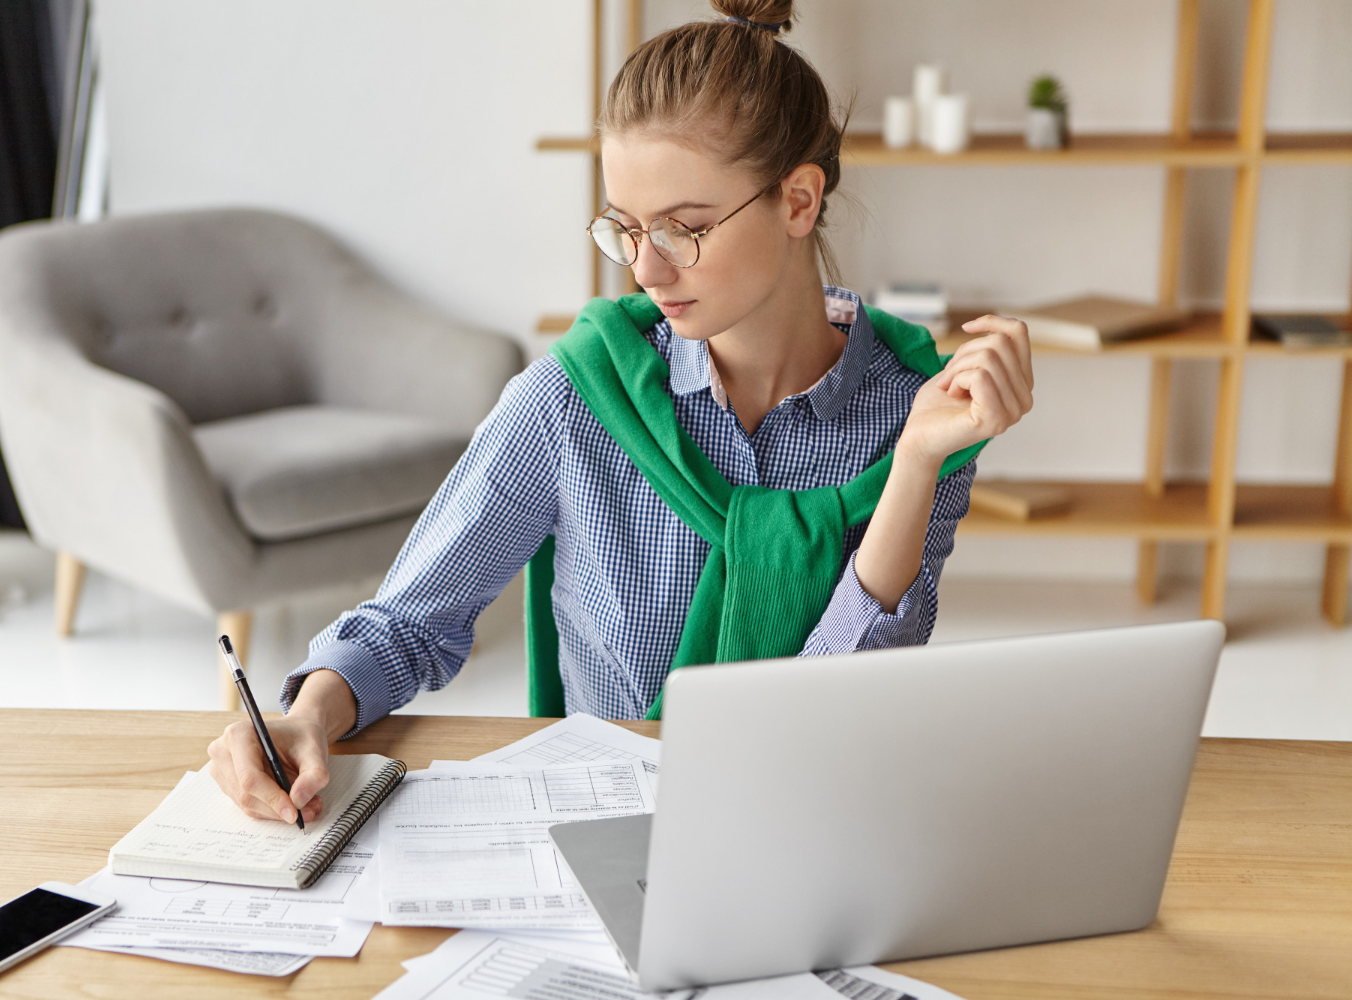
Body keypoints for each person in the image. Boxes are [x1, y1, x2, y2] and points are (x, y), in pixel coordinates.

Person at [208, 0, 1033, 825]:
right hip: (605, 829)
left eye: (684, 229)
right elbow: (411, 619)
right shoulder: (579, 394)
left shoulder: (917, 413)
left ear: (798, 201)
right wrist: (306, 716)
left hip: (814, 819)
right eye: (626, 229)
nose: (645, 268)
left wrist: (919, 465)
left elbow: (843, 702)